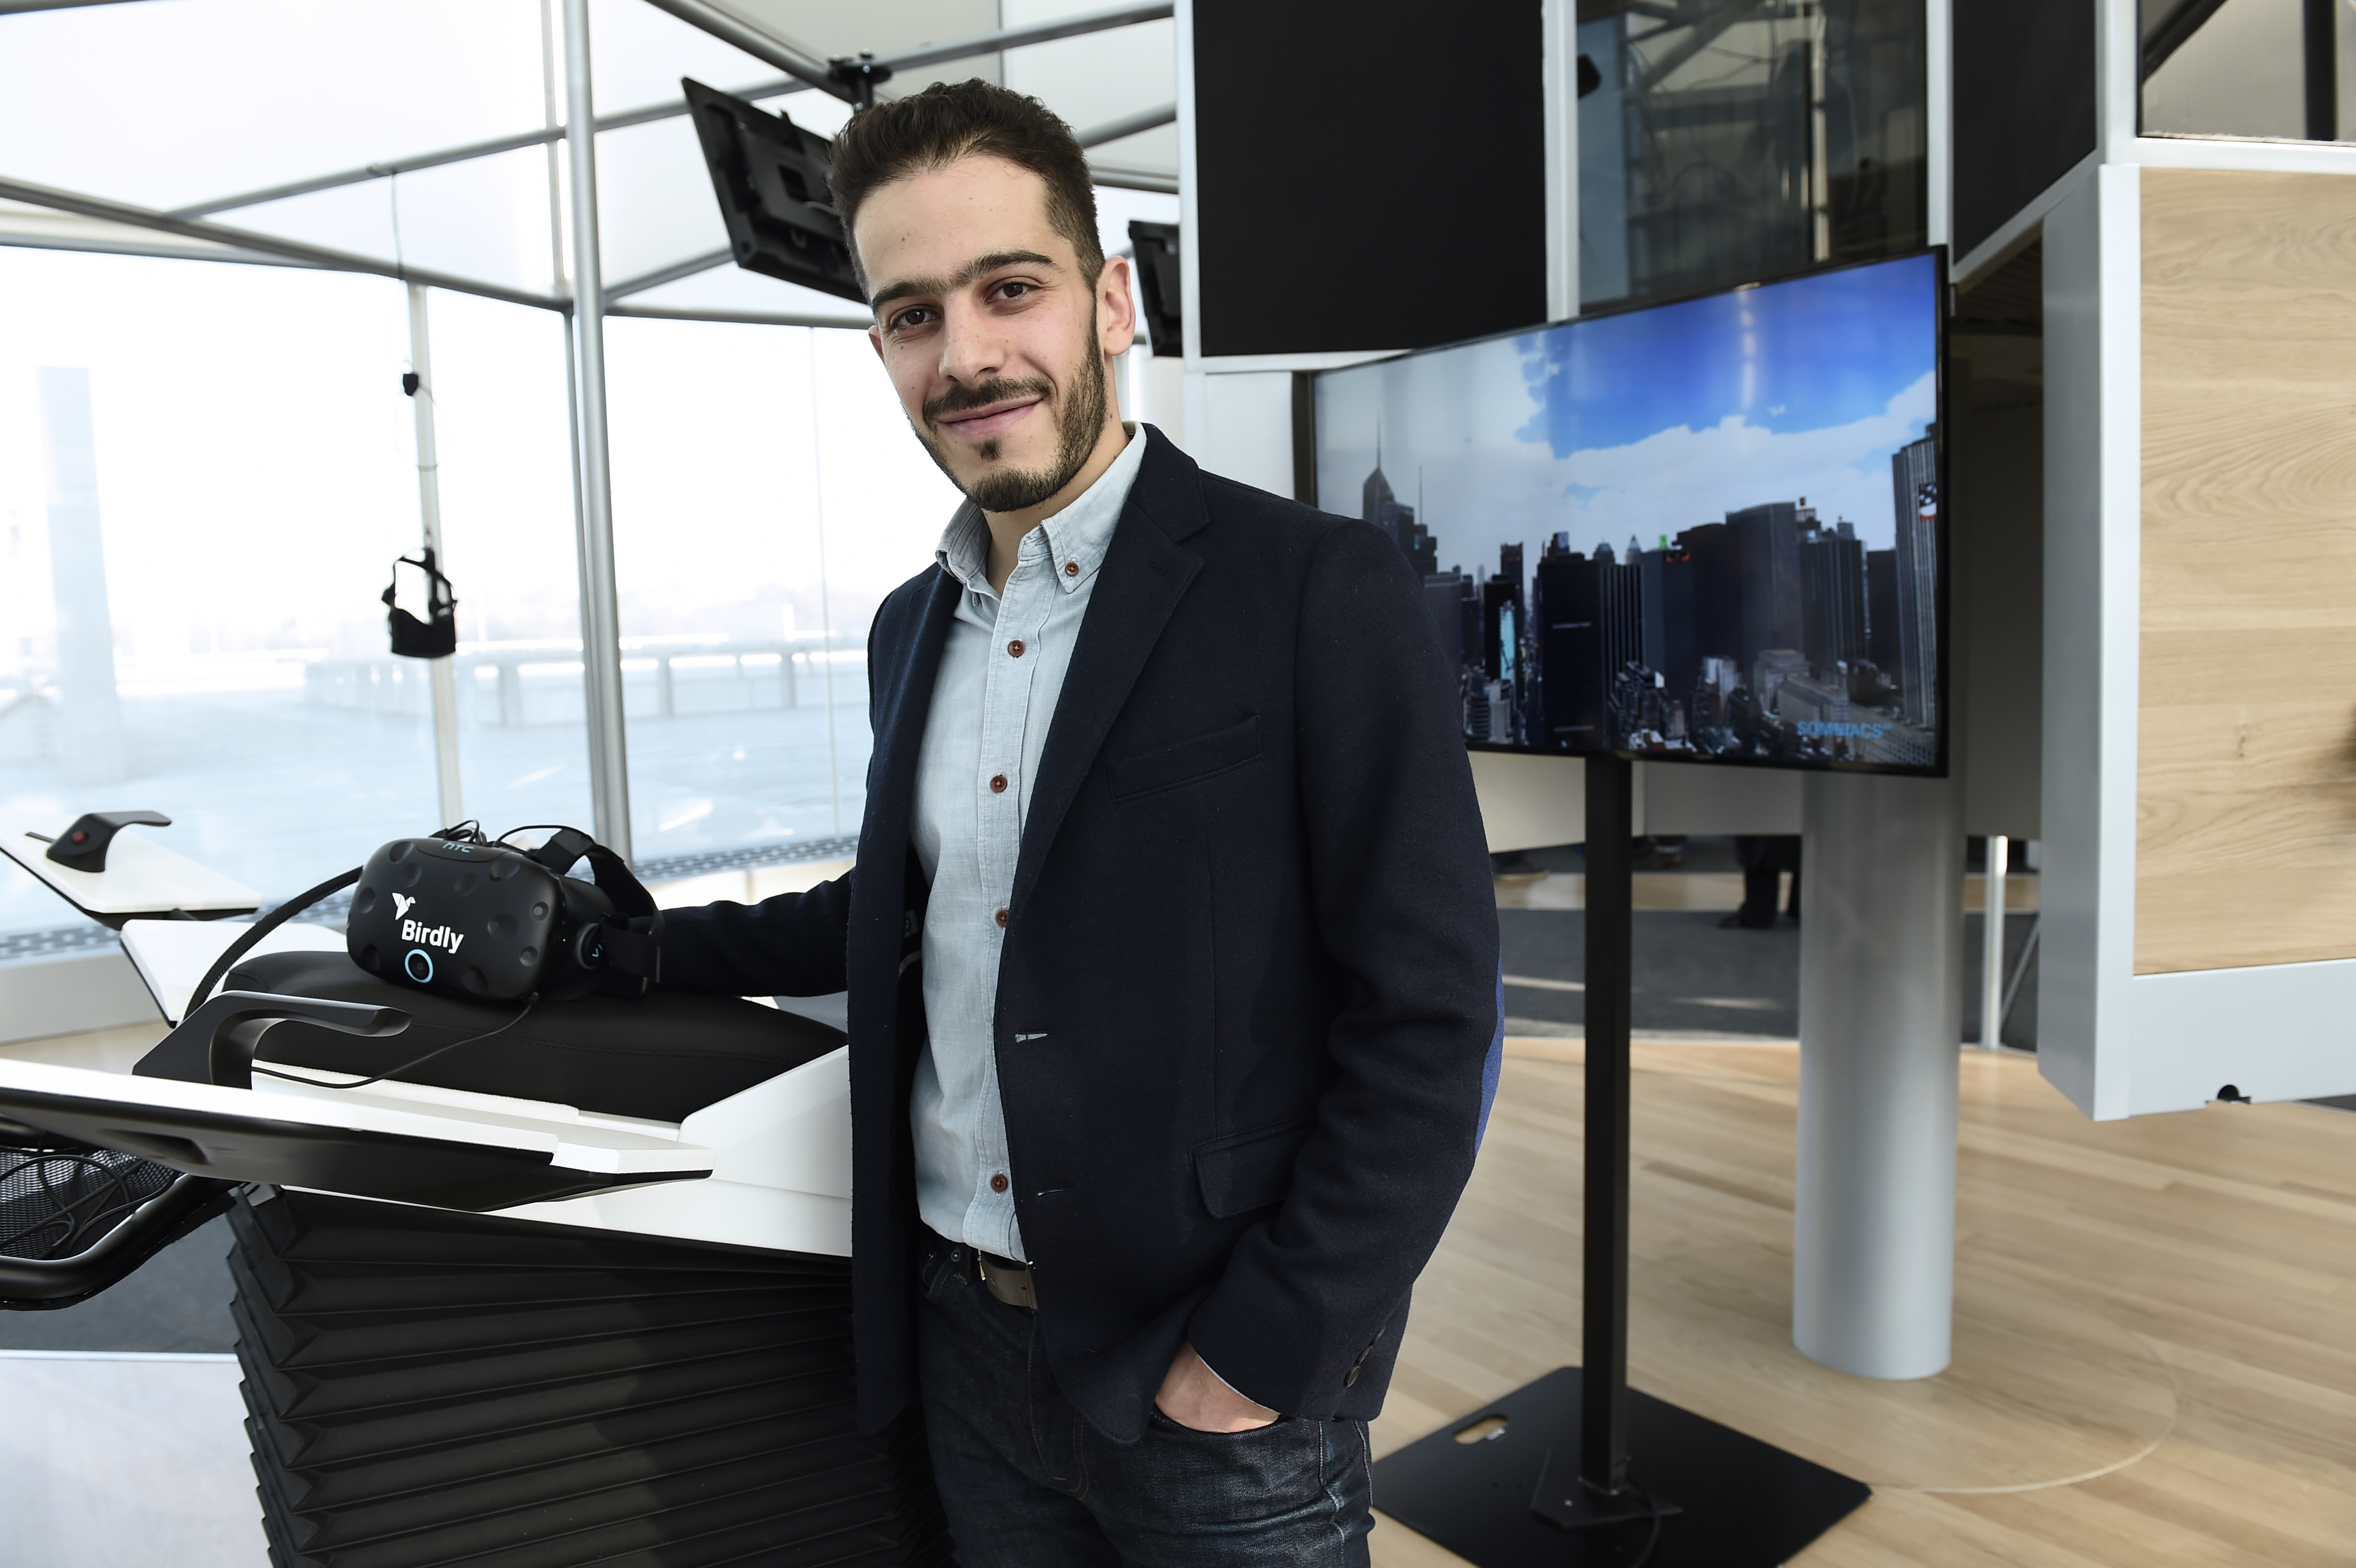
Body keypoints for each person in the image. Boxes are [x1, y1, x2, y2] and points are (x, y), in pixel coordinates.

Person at [656, 80, 1499, 1566]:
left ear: (1111, 303)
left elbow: (1432, 1017)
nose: (967, 353)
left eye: (1011, 290)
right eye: (914, 314)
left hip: (1217, 1385)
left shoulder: (1314, 589)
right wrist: (623, 946)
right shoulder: (908, 628)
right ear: (880, 347)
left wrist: (1270, 1343)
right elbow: (907, 908)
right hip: (965, 1354)